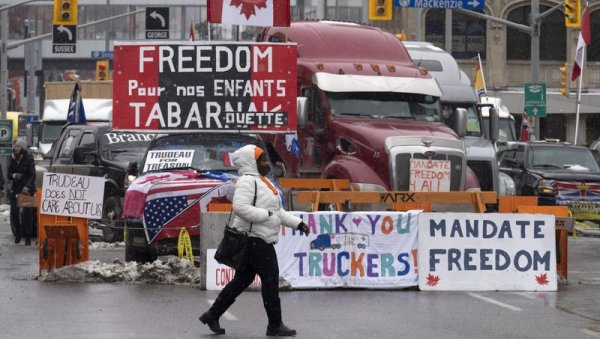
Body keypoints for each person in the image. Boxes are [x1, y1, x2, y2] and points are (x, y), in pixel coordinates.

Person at [200, 144, 310, 337]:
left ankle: (212, 314)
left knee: (242, 280)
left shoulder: (262, 181)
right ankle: (274, 325)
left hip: (258, 238)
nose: (267, 163)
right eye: (263, 161)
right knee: (270, 280)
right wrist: (265, 214)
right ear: (252, 162)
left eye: (266, 160)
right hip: (255, 239)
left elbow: (278, 212)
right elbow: (240, 207)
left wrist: (298, 224)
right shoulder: (247, 181)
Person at [8, 139, 36, 245]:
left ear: (23, 148)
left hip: (27, 189)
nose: (17, 148)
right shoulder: (13, 158)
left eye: (19, 147)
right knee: (14, 212)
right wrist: (14, 175)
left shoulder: (29, 157)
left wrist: (27, 187)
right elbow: (9, 174)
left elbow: (32, 175)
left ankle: (28, 236)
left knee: (27, 214)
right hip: (16, 188)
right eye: (16, 146)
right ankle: (18, 232)